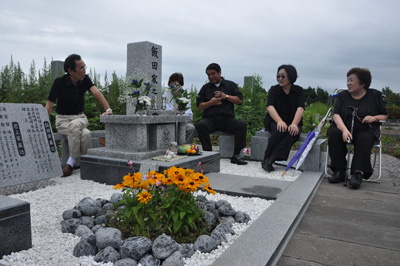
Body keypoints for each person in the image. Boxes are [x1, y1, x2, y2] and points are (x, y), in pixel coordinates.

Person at [45, 54, 112, 177]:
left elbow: (96, 92)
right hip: (62, 120)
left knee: (75, 126)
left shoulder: (85, 79)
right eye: (81, 68)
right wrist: (43, 124)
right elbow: (49, 104)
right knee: (85, 134)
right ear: (70, 71)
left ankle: (70, 162)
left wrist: (107, 109)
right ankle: (85, 163)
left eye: (84, 67)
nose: (84, 71)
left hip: (80, 118)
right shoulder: (59, 83)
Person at [327, 67, 388, 188]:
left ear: (362, 83)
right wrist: (344, 130)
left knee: (365, 138)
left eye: (351, 80)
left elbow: (384, 115)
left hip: (365, 129)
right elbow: (336, 115)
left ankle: (358, 172)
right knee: (334, 132)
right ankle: (339, 170)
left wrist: (374, 117)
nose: (348, 83)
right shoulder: (343, 95)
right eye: (347, 80)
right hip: (344, 127)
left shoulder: (374, 95)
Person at [195, 63, 248, 165]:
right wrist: (211, 102)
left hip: (227, 120)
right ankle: (208, 155)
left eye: (213, 74)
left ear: (220, 72)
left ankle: (236, 155)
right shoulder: (205, 88)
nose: (211, 77)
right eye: (208, 75)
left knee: (242, 125)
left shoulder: (230, 85)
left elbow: (240, 101)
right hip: (210, 120)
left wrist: (226, 96)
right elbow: (199, 106)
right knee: (200, 125)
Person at [262, 65, 305, 172]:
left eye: (283, 76)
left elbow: (300, 109)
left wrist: (294, 124)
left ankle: (271, 159)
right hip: (276, 120)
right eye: (278, 76)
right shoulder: (274, 89)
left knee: (293, 132)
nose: (280, 79)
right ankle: (266, 158)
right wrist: (280, 121)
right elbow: (270, 107)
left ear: (291, 77)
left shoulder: (299, 91)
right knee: (278, 130)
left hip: (293, 121)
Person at [164, 73, 197, 144]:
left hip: (183, 122)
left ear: (181, 85)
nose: (174, 87)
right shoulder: (165, 96)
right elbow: (166, 111)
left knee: (191, 128)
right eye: (172, 84)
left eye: (177, 85)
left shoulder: (185, 96)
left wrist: (180, 116)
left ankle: (185, 148)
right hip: (170, 122)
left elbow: (189, 114)